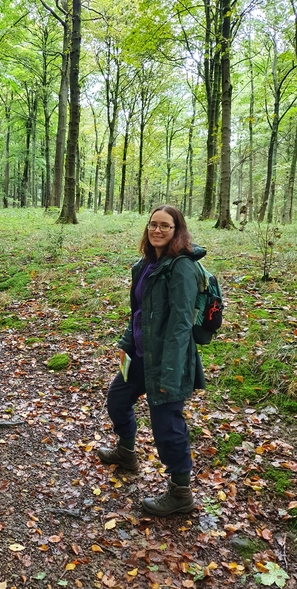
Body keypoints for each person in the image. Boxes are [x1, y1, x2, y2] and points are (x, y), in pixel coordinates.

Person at [97, 204, 206, 516]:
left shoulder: (181, 267)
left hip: (169, 362)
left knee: (167, 426)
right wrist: (126, 344)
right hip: (142, 356)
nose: (157, 230)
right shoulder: (145, 264)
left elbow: (181, 325)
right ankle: (126, 452)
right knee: (117, 399)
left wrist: (170, 375)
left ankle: (180, 494)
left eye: (165, 226)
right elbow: (139, 313)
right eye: (153, 224)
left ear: (177, 230)